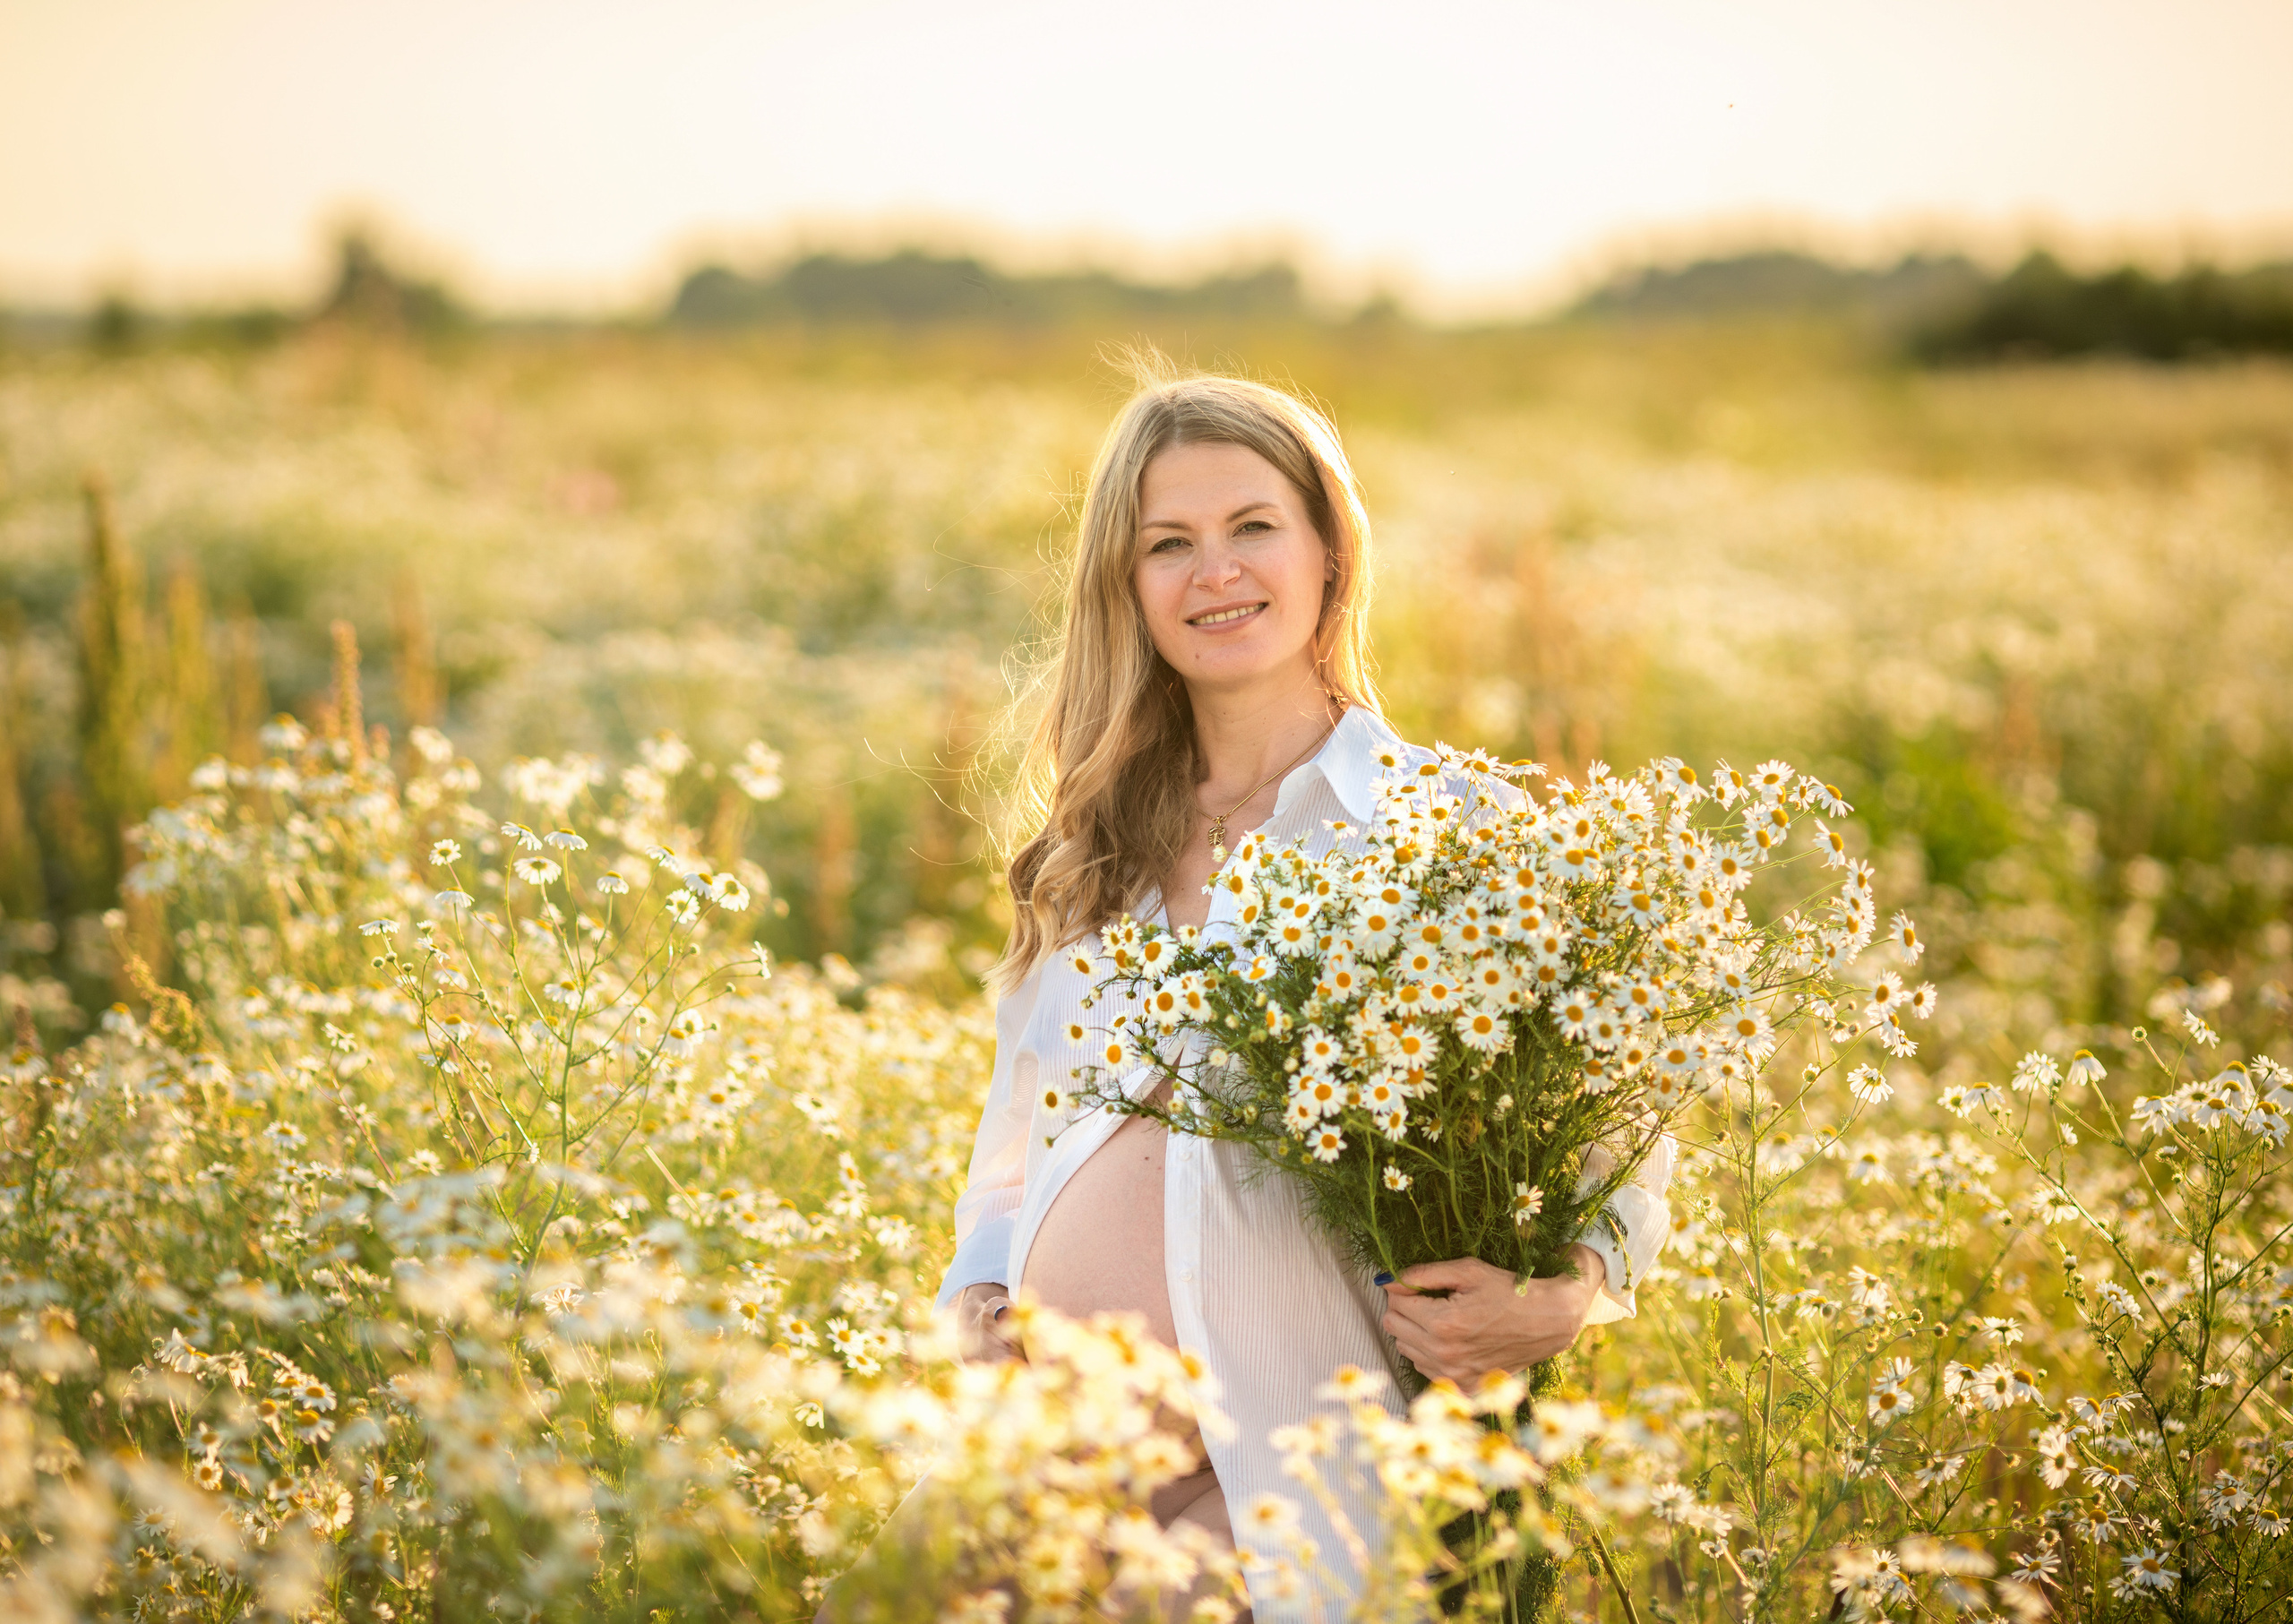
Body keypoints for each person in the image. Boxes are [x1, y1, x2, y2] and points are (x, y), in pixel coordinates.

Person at [933, 362, 1677, 1620]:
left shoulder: (1444, 831)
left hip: (1287, 1446)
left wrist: (1563, 1297)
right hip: (1058, 1440)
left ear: (1330, 550)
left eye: (1252, 527)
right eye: (1167, 544)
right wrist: (982, 1287)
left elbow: (1632, 1110)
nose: (1213, 571)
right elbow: (1018, 1128)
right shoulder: (1097, 845)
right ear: (1128, 589)